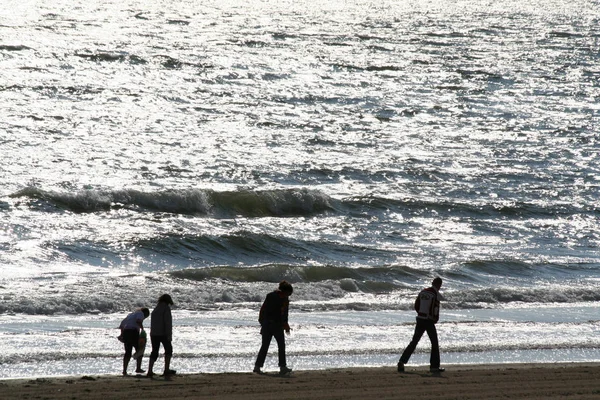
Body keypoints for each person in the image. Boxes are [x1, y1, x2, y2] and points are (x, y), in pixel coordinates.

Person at [397, 277, 445, 373]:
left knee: (414, 342)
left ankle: (401, 362)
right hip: (428, 320)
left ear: (432, 283)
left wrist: (420, 313)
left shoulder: (423, 292)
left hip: (420, 319)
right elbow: (434, 309)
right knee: (434, 343)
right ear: (439, 285)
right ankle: (434, 366)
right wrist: (435, 319)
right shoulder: (435, 294)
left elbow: (416, 305)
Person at [253, 281, 294, 375]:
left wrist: (262, 321)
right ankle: (282, 367)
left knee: (266, 346)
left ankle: (257, 367)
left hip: (268, 324)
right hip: (275, 325)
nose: (289, 295)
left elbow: (263, 309)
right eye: (289, 293)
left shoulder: (271, 296)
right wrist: (285, 326)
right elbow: (283, 314)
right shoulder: (282, 299)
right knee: (279, 346)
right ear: (285, 291)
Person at [147, 294, 175, 378]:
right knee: (168, 350)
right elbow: (167, 323)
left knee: (154, 351)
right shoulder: (166, 308)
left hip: (154, 334)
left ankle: (150, 370)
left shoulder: (155, 309)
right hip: (163, 333)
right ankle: (166, 369)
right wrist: (169, 335)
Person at [118, 307, 150, 376]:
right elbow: (138, 321)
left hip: (126, 332)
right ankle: (138, 368)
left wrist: (121, 334)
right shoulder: (140, 313)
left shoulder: (131, 315)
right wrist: (142, 330)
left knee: (128, 352)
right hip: (133, 332)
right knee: (140, 350)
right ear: (145, 313)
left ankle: (124, 370)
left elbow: (122, 325)